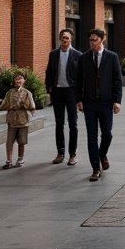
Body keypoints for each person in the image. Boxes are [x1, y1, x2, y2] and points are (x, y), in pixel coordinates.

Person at [75, 29, 123, 181]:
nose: (92, 43)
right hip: (89, 103)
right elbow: (78, 81)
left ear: (103, 40)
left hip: (106, 103)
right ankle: (96, 168)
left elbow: (117, 80)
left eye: (95, 40)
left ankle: (102, 154)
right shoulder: (83, 58)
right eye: (90, 40)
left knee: (107, 133)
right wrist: (79, 100)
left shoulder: (112, 57)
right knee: (91, 137)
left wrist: (117, 101)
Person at [45, 28, 82, 166]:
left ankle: (72, 154)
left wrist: (80, 97)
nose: (64, 40)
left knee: (73, 124)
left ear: (71, 39)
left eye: (67, 38)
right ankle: (60, 153)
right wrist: (49, 88)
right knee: (59, 124)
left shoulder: (78, 55)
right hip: (57, 92)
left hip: (72, 93)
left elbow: (81, 77)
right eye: (62, 38)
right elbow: (49, 72)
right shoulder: (53, 54)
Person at [0, 71, 36, 169]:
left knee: (22, 141)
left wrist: (31, 110)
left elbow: (32, 106)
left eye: (20, 78)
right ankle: (9, 160)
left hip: (23, 119)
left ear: (24, 80)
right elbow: (5, 103)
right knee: (9, 141)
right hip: (12, 118)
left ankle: (20, 158)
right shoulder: (10, 92)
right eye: (16, 78)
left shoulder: (27, 93)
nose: (17, 80)